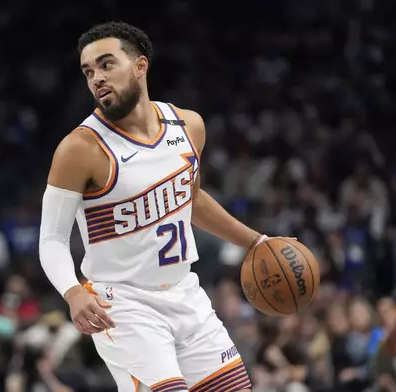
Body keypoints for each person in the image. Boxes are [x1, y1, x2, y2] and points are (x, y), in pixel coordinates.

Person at [39, 21, 280, 391]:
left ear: (140, 65)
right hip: (122, 305)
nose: (96, 78)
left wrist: (256, 242)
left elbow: (192, 199)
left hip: (186, 293)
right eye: (88, 71)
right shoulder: (80, 148)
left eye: (106, 64)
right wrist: (72, 292)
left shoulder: (188, 126)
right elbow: (53, 238)